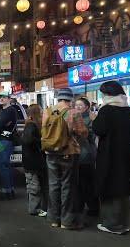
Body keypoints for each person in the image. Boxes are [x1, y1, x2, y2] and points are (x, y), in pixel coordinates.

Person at [91, 81, 130, 235]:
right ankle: (123, 223)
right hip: (127, 155)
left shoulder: (106, 111)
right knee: (124, 188)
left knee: (108, 187)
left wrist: (94, 119)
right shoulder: (129, 111)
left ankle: (112, 224)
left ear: (107, 95)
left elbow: (99, 129)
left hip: (109, 156)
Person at [42, 88, 88, 230]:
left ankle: (54, 219)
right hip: (68, 152)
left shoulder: (48, 111)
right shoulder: (73, 113)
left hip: (50, 152)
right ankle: (67, 221)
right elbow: (82, 132)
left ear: (58, 98)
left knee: (53, 185)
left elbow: (43, 129)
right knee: (67, 186)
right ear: (70, 99)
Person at [74, 96, 99, 218]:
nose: (77, 107)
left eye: (80, 105)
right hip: (76, 155)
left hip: (86, 155)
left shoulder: (90, 119)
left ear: (87, 107)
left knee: (88, 183)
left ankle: (93, 207)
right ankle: (79, 205)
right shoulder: (74, 118)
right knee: (78, 183)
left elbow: (92, 136)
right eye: (76, 105)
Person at [21, 104, 47, 217]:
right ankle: (34, 209)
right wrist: (40, 141)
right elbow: (28, 140)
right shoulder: (32, 126)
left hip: (30, 162)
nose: (42, 113)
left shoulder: (29, 125)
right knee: (34, 186)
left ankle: (35, 207)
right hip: (32, 162)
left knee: (33, 185)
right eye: (40, 111)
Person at [0, 92, 18, 200]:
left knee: (3, 165)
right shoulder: (3, 111)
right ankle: (10, 190)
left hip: (6, 140)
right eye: (0, 97)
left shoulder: (10, 110)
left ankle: (7, 191)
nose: (1, 99)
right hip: (2, 139)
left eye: (4, 97)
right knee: (5, 165)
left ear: (9, 99)